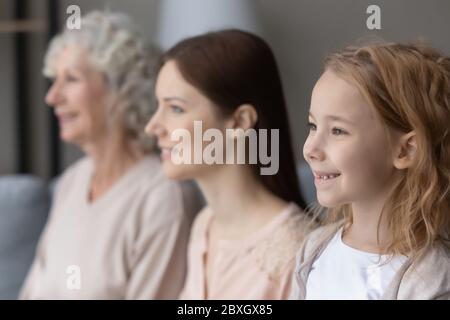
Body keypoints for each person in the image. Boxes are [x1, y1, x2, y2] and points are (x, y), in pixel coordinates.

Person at [20, 11, 200, 299]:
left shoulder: (163, 197)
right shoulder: (72, 182)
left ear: (120, 89)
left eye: (72, 79)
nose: (52, 97)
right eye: (55, 79)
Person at [145, 29, 312, 299]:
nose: (152, 126)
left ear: (239, 122)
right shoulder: (205, 225)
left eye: (175, 108)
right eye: (158, 106)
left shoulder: (295, 251)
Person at [291, 42, 450, 299]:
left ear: (405, 151)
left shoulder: (431, 278)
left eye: (337, 131)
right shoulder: (314, 248)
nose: (311, 148)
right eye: (312, 126)